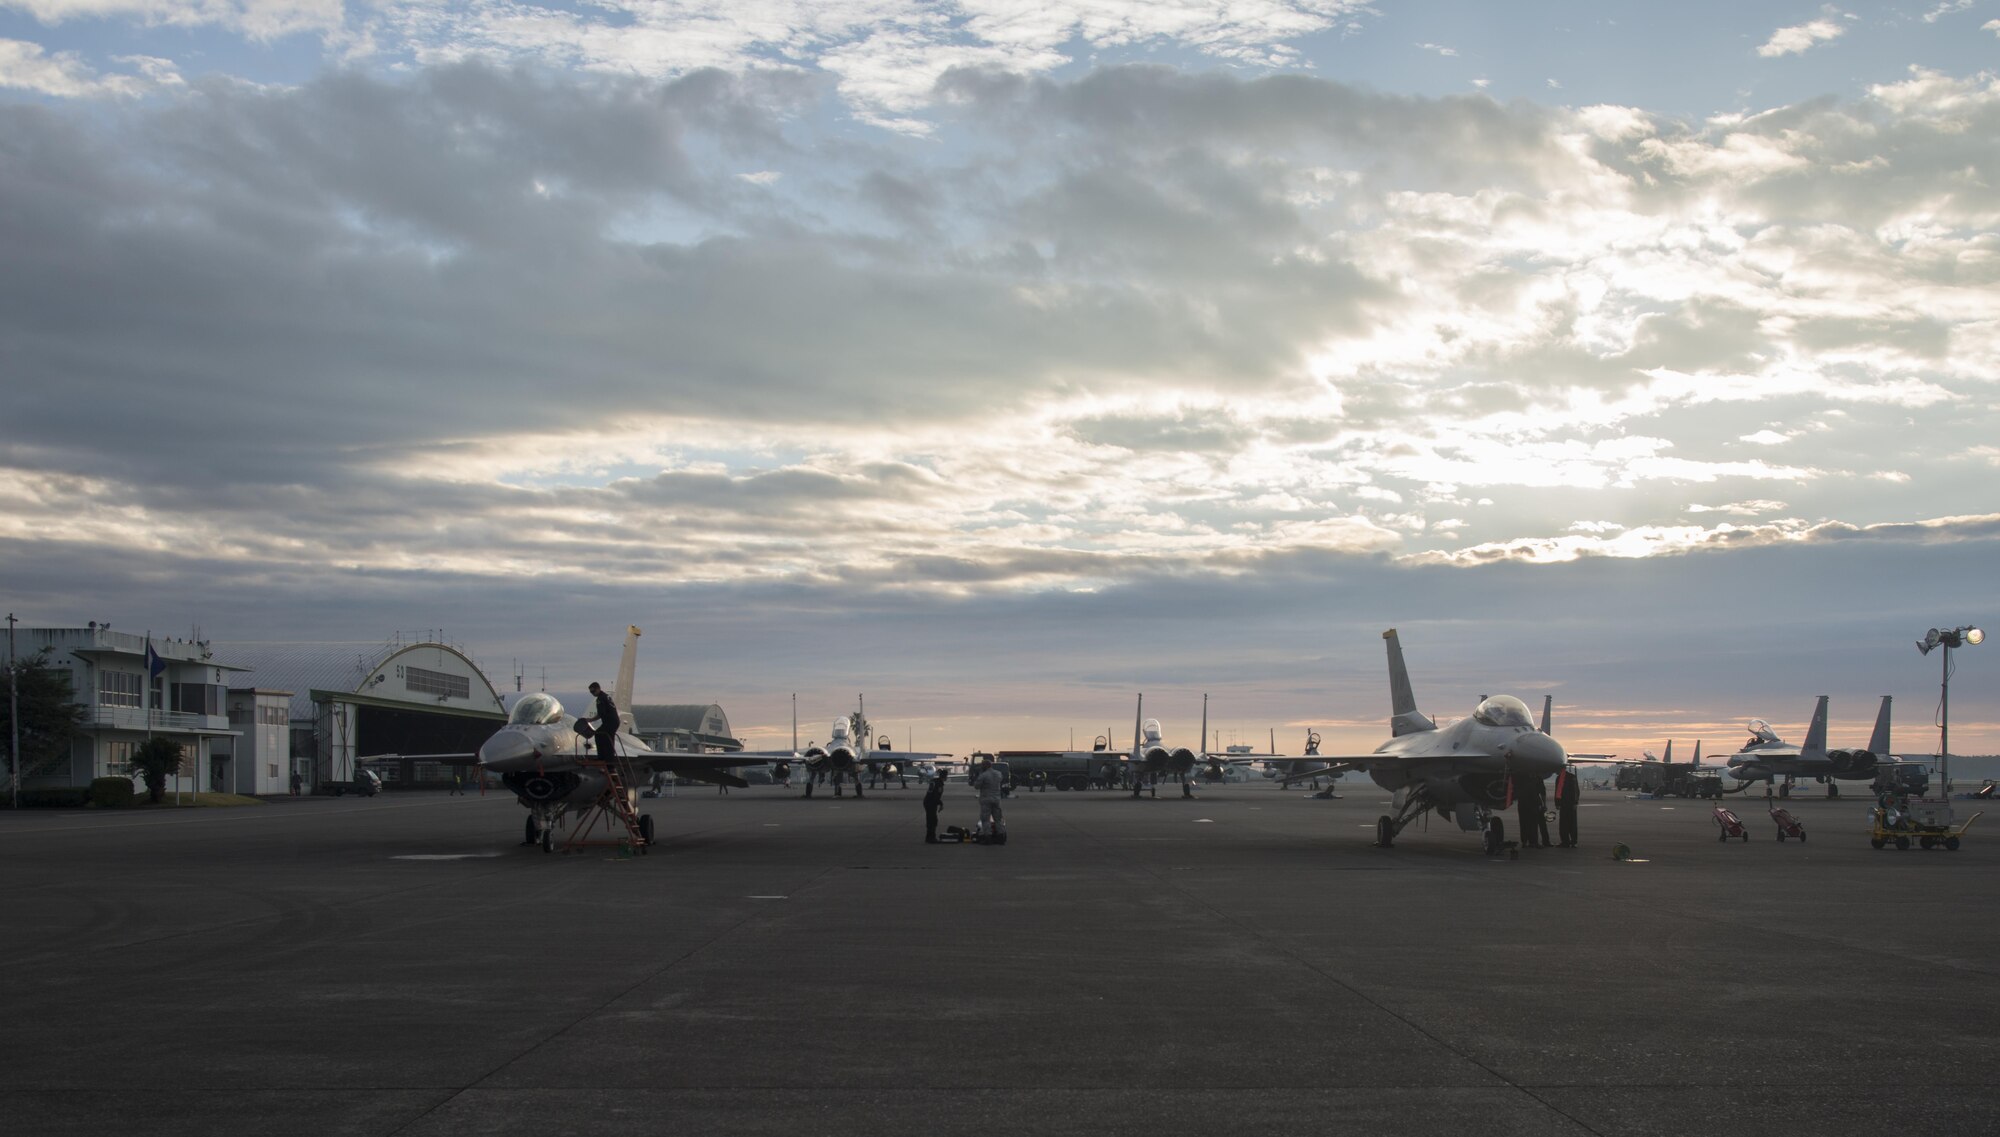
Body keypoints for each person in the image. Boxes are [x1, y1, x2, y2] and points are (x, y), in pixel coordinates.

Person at [584, 681, 620, 766]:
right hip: (614, 721)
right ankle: (609, 759)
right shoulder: (606, 696)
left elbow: (601, 713)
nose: (592, 693)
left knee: (598, 734)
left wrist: (591, 720)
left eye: (593, 691)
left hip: (610, 722)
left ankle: (602, 757)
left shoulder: (600, 699)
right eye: (591, 692)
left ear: (598, 689)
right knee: (609, 739)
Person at [972, 756, 1007, 845]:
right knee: (998, 819)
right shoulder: (998, 773)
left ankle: (988, 838)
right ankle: (1001, 837)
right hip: (996, 799)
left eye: (982, 765)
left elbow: (976, 786)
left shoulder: (983, 775)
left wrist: (980, 775)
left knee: (985, 819)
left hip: (986, 799)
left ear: (985, 766)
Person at [1553, 763, 1581, 848]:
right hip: (1563, 804)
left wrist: (1575, 803)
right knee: (1563, 824)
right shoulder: (1559, 778)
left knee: (1571, 823)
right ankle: (1565, 841)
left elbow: (1576, 791)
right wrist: (1557, 803)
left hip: (1570, 804)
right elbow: (1557, 792)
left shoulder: (1571, 777)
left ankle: (1573, 841)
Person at [1515, 776, 1542, 848]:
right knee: (1532, 824)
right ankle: (1532, 842)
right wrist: (1539, 804)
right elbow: (1536, 793)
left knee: (1525, 824)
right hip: (1530, 805)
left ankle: (1526, 842)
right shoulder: (1535, 778)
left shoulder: (1520, 778)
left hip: (1524, 805)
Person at [923, 772, 945, 844]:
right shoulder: (939, 784)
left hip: (928, 802)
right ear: (944, 777)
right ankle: (931, 838)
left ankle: (929, 837)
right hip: (931, 803)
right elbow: (936, 796)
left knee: (930, 820)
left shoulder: (935, 781)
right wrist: (940, 804)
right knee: (933, 821)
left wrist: (940, 803)